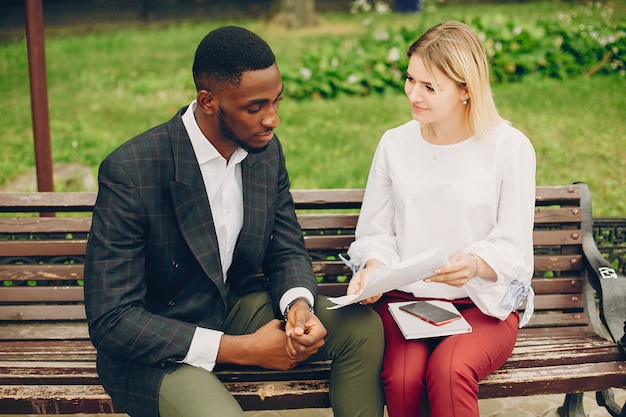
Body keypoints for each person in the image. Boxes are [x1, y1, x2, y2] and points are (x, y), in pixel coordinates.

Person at [84, 25, 384, 417]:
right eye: (255, 107)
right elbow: (113, 320)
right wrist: (241, 350)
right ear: (208, 101)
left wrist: (297, 307)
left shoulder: (264, 152)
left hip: (234, 307)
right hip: (157, 344)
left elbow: (285, 247)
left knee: (361, 329)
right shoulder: (132, 170)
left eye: (277, 101)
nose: (272, 119)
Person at [344, 21, 536, 417]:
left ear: (466, 89)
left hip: (482, 305)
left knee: (450, 370)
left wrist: (474, 265)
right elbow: (376, 231)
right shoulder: (395, 144)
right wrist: (374, 267)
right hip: (407, 303)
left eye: (430, 87)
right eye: (410, 79)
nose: (413, 94)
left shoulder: (509, 148)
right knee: (402, 379)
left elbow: (514, 248)